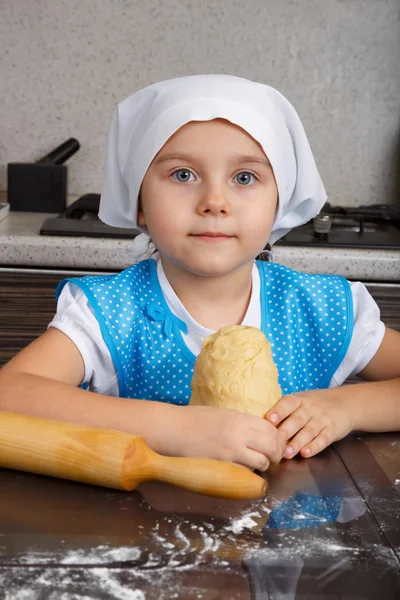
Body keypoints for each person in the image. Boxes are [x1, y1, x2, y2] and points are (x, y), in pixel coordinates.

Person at [1, 75, 399, 472]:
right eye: (183, 175)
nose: (214, 202)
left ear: (279, 203)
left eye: (244, 178)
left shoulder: (320, 310)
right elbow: (10, 394)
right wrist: (174, 428)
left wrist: (346, 407)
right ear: (139, 203)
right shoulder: (110, 313)